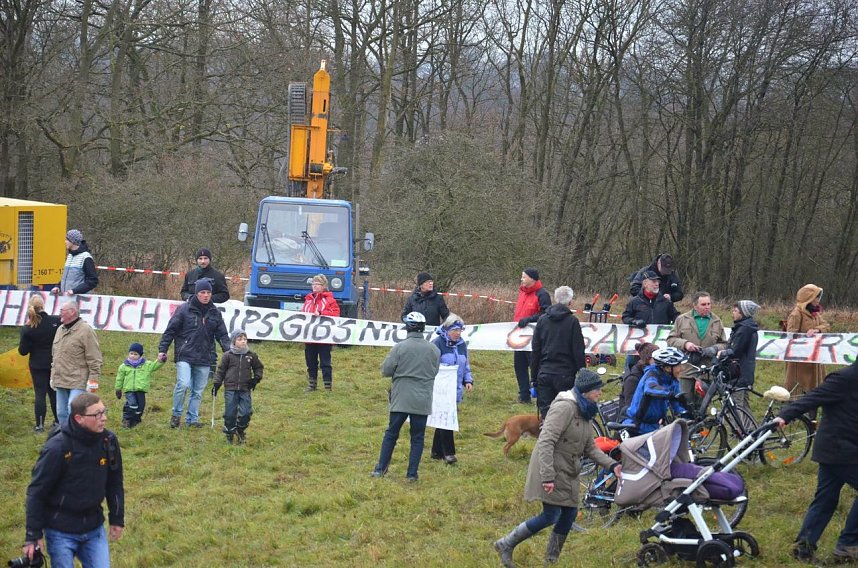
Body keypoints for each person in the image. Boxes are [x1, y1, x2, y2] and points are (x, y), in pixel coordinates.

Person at [494, 369, 621, 567]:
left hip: (569, 469)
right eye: (597, 390)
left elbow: (590, 448)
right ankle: (506, 543)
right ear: (586, 391)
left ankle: (550, 561)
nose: (600, 393)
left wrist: (613, 465)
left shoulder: (586, 410)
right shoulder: (565, 408)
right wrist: (547, 477)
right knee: (551, 514)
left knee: (569, 514)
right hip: (551, 467)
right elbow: (545, 442)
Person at [21, 393, 124, 568]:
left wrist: (117, 518)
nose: (104, 418)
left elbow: (115, 482)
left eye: (104, 412)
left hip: (94, 527)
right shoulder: (57, 448)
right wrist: (33, 535)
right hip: (60, 531)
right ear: (79, 418)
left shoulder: (109, 441)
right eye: (97, 414)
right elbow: (36, 492)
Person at [774, 361, 858, 563]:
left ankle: (804, 546)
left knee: (825, 499)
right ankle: (848, 544)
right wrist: (784, 416)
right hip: (839, 450)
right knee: (825, 499)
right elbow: (813, 397)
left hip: (839, 450)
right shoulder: (845, 378)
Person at [370, 312, 440, 481]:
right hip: (422, 398)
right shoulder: (434, 349)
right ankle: (412, 474)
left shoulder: (399, 347)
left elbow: (386, 370)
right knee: (418, 437)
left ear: (407, 328)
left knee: (391, 433)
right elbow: (435, 371)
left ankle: (380, 469)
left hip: (401, 396)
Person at [159, 279, 230, 428]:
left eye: (208, 293)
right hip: (184, 354)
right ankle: (176, 415)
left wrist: (229, 352)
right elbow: (170, 330)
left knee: (198, 391)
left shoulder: (215, 312)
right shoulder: (184, 309)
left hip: (205, 356)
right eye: (202, 292)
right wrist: (162, 350)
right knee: (183, 384)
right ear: (196, 293)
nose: (206, 295)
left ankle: (192, 419)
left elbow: (222, 334)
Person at [530, 286, 586, 419]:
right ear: (570, 302)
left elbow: (536, 351)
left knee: (546, 417)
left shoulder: (542, 320)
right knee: (565, 416)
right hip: (565, 375)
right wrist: (582, 372)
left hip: (544, 373)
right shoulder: (573, 322)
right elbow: (578, 350)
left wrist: (533, 378)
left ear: (555, 299)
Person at [666, 291, 728, 402]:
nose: (707, 307)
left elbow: (724, 344)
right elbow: (671, 340)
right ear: (695, 305)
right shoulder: (682, 319)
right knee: (684, 402)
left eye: (709, 304)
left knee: (702, 406)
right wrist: (685, 344)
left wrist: (714, 349)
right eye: (703, 305)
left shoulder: (717, 321)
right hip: (686, 369)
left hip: (706, 371)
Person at [430, 313, 474, 465]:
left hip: (455, 389)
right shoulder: (437, 343)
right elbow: (431, 365)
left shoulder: (462, 345)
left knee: (444, 418)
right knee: (447, 418)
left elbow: (465, 364)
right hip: (441, 388)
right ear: (447, 329)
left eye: (460, 330)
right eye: (455, 330)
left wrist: (467, 380)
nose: (458, 333)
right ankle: (449, 453)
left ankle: (436, 452)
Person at [51, 301, 102, 426]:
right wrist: (53, 376)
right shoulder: (59, 329)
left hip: (78, 380)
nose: (59, 313)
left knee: (73, 410)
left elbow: (94, 357)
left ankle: (78, 437)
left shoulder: (86, 330)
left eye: (62, 310)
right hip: (60, 379)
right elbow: (55, 355)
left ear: (72, 312)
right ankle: (65, 439)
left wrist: (93, 380)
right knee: (61, 413)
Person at [212, 329, 264, 444]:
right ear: (234, 341)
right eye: (240, 339)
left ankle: (240, 430)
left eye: (245, 339)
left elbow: (258, 368)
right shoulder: (227, 356)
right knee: (230, 413)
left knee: (246, 412)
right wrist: (216, 384)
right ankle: (229, 433)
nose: (243, 341)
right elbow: (221, 371)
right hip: (230, 388)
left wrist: (256, 378)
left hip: (245, 388)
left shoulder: (251, 355)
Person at [622, 347, 689, 434]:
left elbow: (677, 402)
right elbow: (650, 388)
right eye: (679, 365)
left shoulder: (672, 380)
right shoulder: (651, 375)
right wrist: (669, 394)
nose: (682, 369)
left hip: (654, 426)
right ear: (668, 367)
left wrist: (686, 414)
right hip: (637, 426)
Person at [19, 295, 61, 432]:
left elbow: (23, 351)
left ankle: (40, 425)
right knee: (54, 393)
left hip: (37, 364)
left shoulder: (28, 328)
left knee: (40, 394)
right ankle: (58, 422)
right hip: (54, 362)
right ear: (43, 305)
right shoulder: (56, 321)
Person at [512, 268, 551, 404]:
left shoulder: (542, 294)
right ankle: (524, 395)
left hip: (535, 338)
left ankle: (541, 395)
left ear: (532, 279)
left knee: (535, 367)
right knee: (519, 365)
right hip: (519, 337)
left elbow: (546, 313)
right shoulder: (522, 292)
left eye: (524, 277)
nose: (521, 279)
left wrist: (529, 319)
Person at [784, 284, 830, 396]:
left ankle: (811, 409)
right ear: (809, 298)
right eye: (816, 297)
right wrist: (803, 338)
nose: (818, 300)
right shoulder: (796, 314)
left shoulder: (815, 313)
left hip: (814, 356)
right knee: (799, 388)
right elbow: (790, 335)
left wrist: (816, 330)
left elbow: (826, 326)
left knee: (813, 389)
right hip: (799, 359)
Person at [718, 300, 760, 421]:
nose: (733, 313)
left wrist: (722, 353)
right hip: (745, 372)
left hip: (739, 373)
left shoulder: (744, 329)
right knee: (745, 406)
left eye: (736, 311)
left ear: (743, 313)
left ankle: (740, 433)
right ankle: (751, 431)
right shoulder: (747, 327)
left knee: (736, 405)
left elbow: (736, 351)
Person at [301, 274, 341, 392]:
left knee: (325, 362)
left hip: (324, 337)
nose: (314, 286)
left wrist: (322, 313)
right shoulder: (308, 300)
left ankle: (327, 386)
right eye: (313, 284)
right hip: (310, 336)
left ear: (323, 286)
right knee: (311, 361)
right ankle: (312, 385)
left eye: (317, 284)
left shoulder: (329, 300)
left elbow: (336, 314)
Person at [113, 342, 165, 428]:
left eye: (135, 354)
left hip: (140, 390)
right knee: (132, 404)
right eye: (131, 353)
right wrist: (118, 389)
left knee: (140, 407)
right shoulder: (123, 366)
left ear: (140, 355)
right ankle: (126, 420)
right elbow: (119, 378)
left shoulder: (146, 365)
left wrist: (161, 361)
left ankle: (136, 420)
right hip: (129, 390)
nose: (133, 356)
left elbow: (154, 366)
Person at [617, 342, 658, 420]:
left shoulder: (655, 374)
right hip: (632, 423)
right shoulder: (633, 379)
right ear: (647, 359)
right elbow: (631, 407)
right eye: (655, 358)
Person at [51, 229, 99, 296]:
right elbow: (66, 277)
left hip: (79, 300)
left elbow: (93, 281)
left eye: (67, 240)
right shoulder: (70, 256)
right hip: (66, 297)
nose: (65, 242)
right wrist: (58, 286)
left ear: (72, 241)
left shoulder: (86, 257)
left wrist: (75, 291)